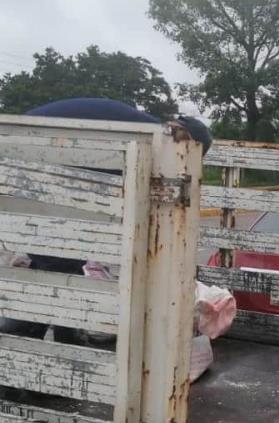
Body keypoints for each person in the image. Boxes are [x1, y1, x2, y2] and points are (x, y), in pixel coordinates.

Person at [0, 97, 212, 344]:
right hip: (32, 152)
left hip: (29, 148)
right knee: (56, 263)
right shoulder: (150, 141)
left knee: (62, 260)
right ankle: (29, 343)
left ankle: (51, 338)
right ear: (185, 139)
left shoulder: (142, 131)